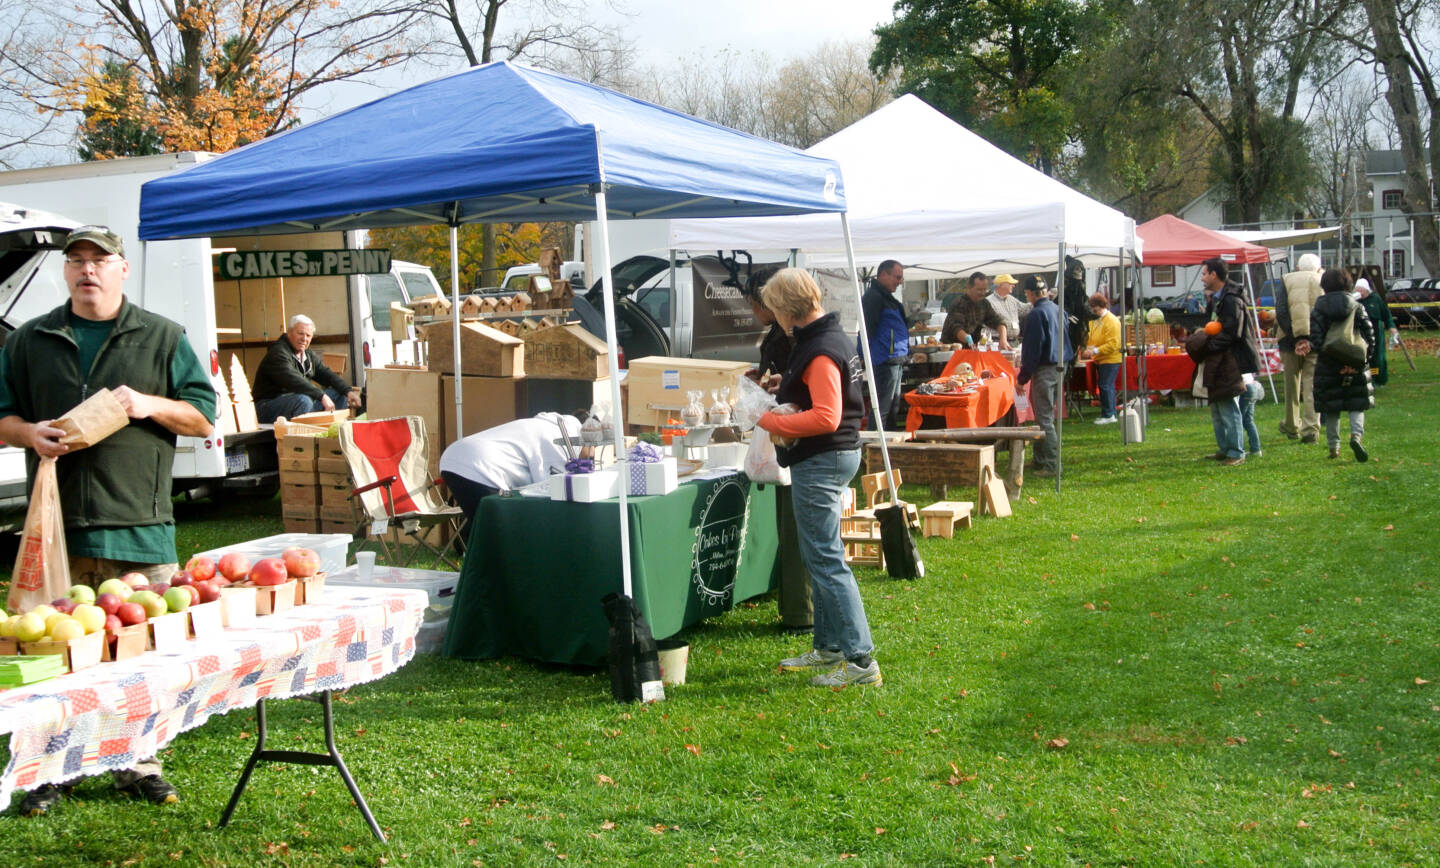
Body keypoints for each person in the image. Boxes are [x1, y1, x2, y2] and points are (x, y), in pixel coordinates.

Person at [0, 225, 218, 814]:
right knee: (52, 653)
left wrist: (148, 404)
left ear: (123, 269)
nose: (87, 269)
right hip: (57, 528)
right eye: (77, 260)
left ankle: (138, 764)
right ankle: (48, 770)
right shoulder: (30, 340)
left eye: (100, 260)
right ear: (65, 271)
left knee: (142, 655)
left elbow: (202, 417)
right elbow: (1, 417)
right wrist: (28, 433)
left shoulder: (162, 337)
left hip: (140, 524)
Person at [756, 268, 879, 687]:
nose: (773, 317)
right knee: (822, 555)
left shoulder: (821, 348)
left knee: (826, 560)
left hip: (823, 458)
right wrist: (783, 389)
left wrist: (768, 418)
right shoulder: (827, 338)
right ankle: (829, 648)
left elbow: (827, 416)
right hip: (834, 456)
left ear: (788, 309)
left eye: (774, 309)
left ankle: (861, 662)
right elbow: (824, 399)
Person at [744, 270, 813, 634]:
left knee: (800, 533)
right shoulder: (797, 338)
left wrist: (776, 415)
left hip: (800, 444)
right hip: (794, 442)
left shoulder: (807, 341)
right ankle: (798, 609)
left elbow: (823, 410)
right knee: (796, 531)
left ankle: (802, 613)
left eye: (769, 305)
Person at [438, 412, 581, 522]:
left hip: (453, 457)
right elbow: (551, 488)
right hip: (480, 468)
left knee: (482, 523)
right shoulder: (559, 438)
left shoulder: (540, 425)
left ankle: (465, 548)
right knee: (499, 527)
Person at [1194, 258, 1259, 466]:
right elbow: (1212, 325)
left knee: (1229, 405)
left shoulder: (1232, 299)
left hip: (1230, 359)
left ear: (1214, 275)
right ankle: (1224, 448)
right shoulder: (1217, 299)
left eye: (1204, 273)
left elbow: (1232, 332)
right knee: (1217, 405)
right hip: (1218, 358)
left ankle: (1236, 451)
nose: (1203, 278)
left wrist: (1207, 345)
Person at [1310, 269, 1375, 461]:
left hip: (1328, 365)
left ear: (1324, 285)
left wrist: (1334, 364)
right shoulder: (1357, 306)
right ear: (1348, 284)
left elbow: (1316, 339)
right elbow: (1369, 335)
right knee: (1356, 404)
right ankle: (1356, 436)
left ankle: (1333, 448)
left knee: (1332, 408)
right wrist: (1360, 361)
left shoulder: (1318, 309)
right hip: (1355, 361)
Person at [252, 315, 362, 423]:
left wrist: (348, 391)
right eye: (300, 333)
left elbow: (326, 374)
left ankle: (331, 432)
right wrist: (322, 396)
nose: (304, 339)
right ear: (289, 333)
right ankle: (303, 439)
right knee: (303, 401)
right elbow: (294, 381)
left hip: (297, 401)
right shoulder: (278, 353)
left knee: (339, 393)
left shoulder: (307, 353)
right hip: (266, 406)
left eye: (308, 335)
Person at [1016, 276, 1068, 477]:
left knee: (1044, 418)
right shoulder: (1057, 310)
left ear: (1029, 294)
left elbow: (1032, 350)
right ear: (1045, 291)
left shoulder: (1036, 314)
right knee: (1043, 416)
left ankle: (1053, 465)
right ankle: (1040, 460)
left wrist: (1022, 378)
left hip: (1045, 368)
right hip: (1059, 366)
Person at [1276, 253, 1324, 443]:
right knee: (1312, 385)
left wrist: (1295, 338)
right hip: (1315, 341)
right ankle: (1311, 428)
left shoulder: (1286, 280)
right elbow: (1323, 314)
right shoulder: (1322, 280)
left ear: (1297, 267)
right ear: (1318, 268)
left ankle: (1291, 424)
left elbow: (1281, 311)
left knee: (1291, 384)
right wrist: (1309, 341)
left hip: (1289, 341)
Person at [858, 259, 908, 429]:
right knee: (882, 410)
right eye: (897, 277)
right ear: (884, 274)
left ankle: (889, 448)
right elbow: (865, 329)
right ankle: (875, 448)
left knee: (892, 408)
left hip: (894, 359)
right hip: (885, 360)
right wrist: (862, 355)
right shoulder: (873, 297)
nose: (900, 282)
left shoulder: (885, 297)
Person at [940, 272, 1009, 349]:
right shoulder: (959, 304)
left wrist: (1003, 339)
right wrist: (970, 341)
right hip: (952, 350)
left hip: (972, 348)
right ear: (969, 287)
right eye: (979, 290)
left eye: (985, 289)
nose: (983, 293)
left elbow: (998, 321)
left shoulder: (984, 303)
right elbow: (956, 329)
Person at [1081, 293, 1122, 424]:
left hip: (1111, 359)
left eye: (1095, 309)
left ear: (1102, 306)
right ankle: (1108, 413)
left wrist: (1094, 350)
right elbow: (1091, 335)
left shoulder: (1112, 321)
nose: (1094, 312)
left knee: (1106, 386)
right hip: (1101, 358)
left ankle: (1109, 414)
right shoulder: (1095, 320)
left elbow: (1113, 344)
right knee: (1105, 386)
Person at [1354, 278, 1398, 386]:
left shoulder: (1375, 299)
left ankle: (1377, 379)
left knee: (1377, 358)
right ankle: (1363, 379)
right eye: (1357, 290)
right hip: (1361, 332)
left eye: (1361, 290)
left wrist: (1391, 326)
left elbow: (1386, 315)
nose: (1359, 293)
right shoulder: (1354, 301)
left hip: (1376, 331)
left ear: (1366, 290)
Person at [985, 273, 1030, 340]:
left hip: (1014, 341)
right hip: (997, 342)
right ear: (1001, 284)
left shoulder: (1012, 299)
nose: (1013, 285)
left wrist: (1038, 300)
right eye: (1010, 283)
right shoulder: (988, 302)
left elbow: (1025, 309)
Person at [1239, 373, 1264, 457]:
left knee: (1238, 422)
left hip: (1244, 387)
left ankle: (1238, 450)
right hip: (1253, 386)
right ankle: (1256, 449)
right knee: (1249, 421)